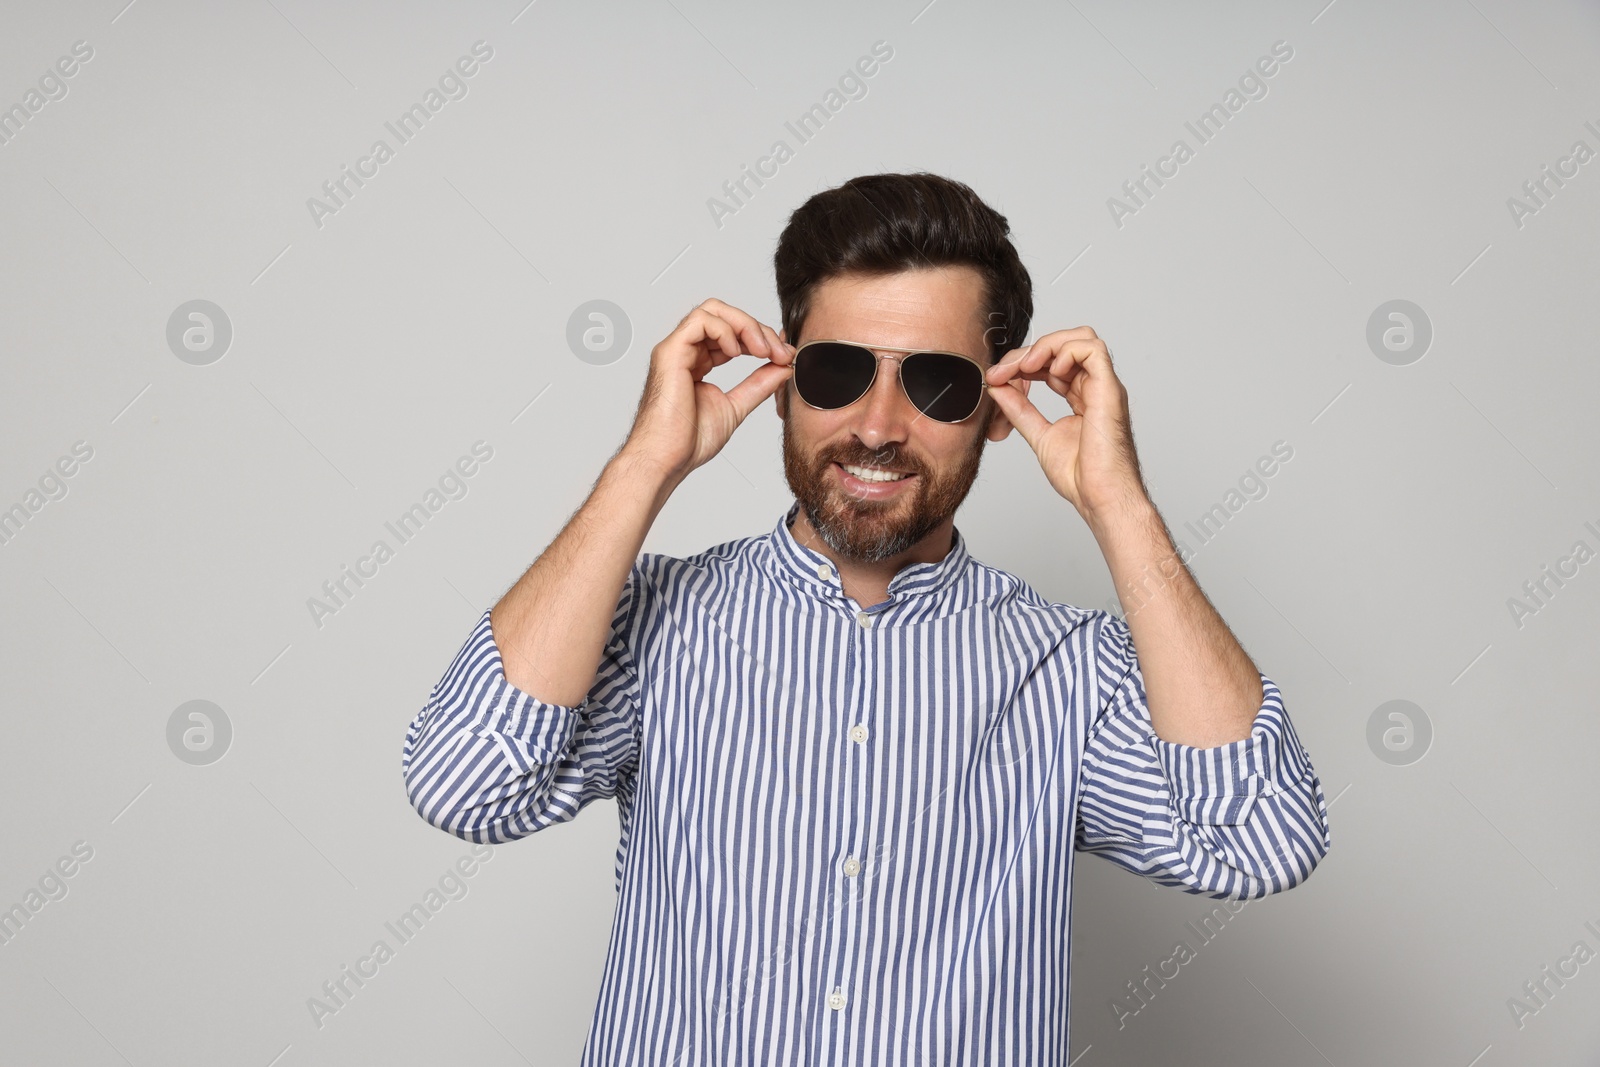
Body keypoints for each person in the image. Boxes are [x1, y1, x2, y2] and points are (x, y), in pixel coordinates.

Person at [402, 171, 1331, 1065]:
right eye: (839, 371)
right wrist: (644, 468)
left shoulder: (1071, 670)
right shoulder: (651, 622)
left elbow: (1258, 841)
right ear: (781, 379)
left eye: (937, 384)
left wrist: (1118, 505)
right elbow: (463, 784)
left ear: (999, 408)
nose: (880, 424)